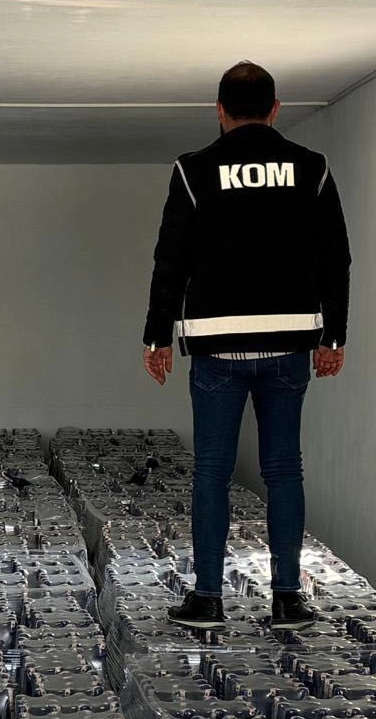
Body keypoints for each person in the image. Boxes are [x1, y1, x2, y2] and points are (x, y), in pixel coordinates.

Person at [141, 61, 351, 632]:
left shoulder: (193, 171)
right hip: (289, 346)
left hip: (217, 347)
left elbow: (170, 261)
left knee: (211, 471)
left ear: (219, 110)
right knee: (283, 470)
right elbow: (336, 258)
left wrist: (157, 336)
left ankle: (208, 600)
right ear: (276, 109)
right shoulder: (311, 168)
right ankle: (287, 599)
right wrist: (333, 337)